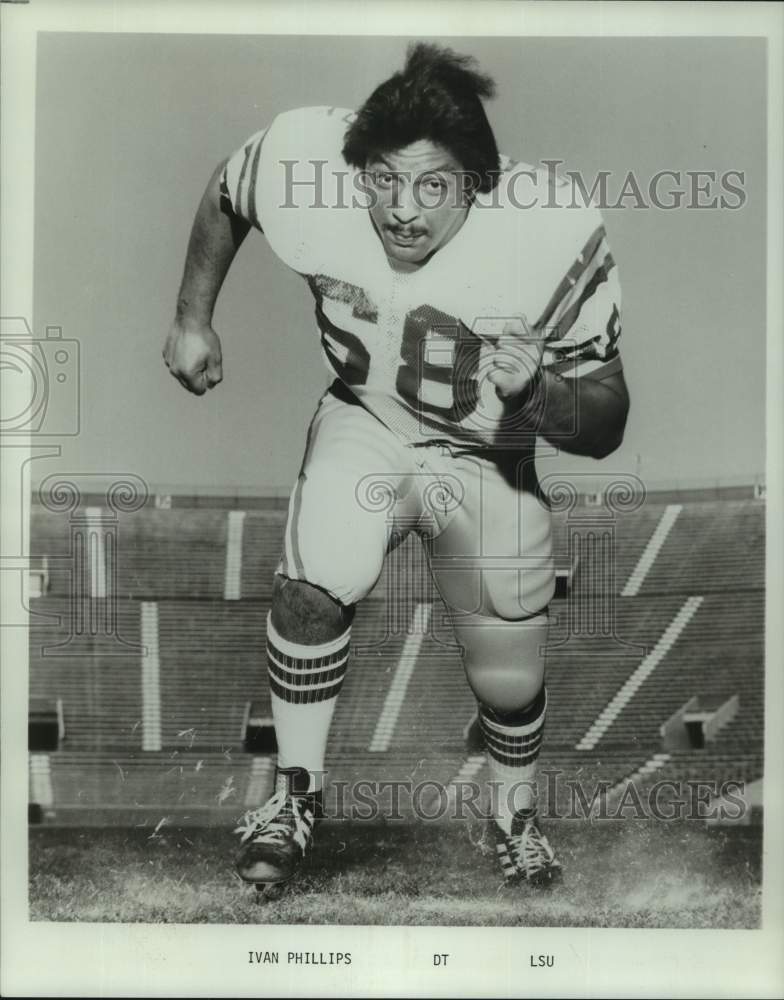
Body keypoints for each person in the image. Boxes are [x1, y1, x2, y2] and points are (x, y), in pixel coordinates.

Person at [163, 43, 629, 890]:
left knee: (509, 676)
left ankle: (513, 816)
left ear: (478, 184)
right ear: (356, 167)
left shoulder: (549, 227)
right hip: (367, 417)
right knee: (314, 578)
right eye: (383, 179)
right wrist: (193, 315)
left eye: (432, 185)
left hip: (488, 452)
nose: (402, 209)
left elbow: (607, 420)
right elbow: (230, 190)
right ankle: (294, 797)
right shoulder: (308, 161)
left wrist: (539, 394)